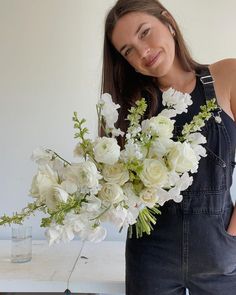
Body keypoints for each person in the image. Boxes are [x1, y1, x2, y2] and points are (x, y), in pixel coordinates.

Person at [101, 0, 236, 294]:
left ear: (168, 21)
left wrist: (233, 234)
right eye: (128, 51)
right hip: (150, 256)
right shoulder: (131, 106)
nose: (142, 52)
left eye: (145, 32)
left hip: (220, 250)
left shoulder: (227, 76)